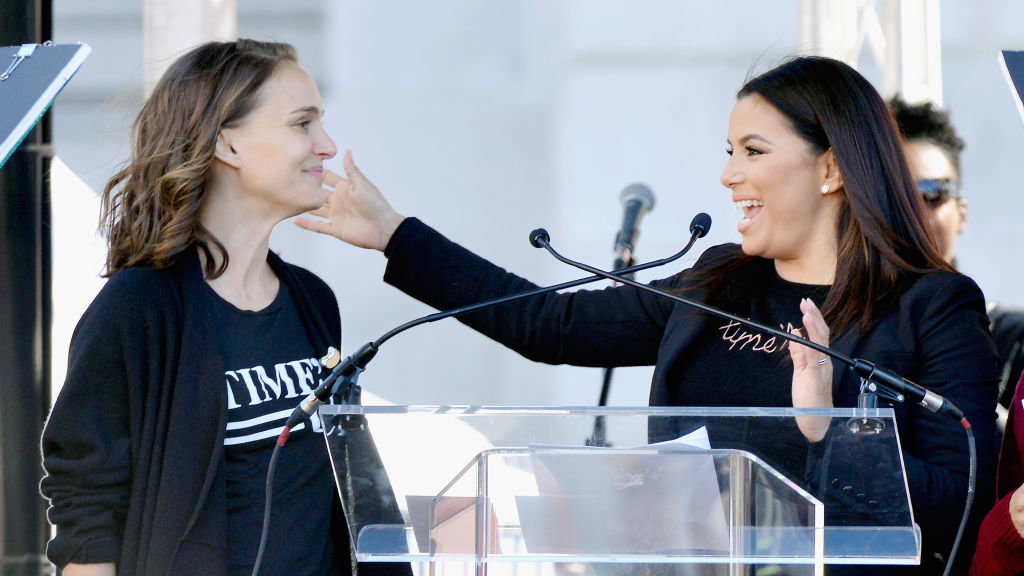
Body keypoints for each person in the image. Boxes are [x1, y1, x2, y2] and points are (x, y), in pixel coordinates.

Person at [298, 56, 1000, 575]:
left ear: (831, 169)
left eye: (754, 152)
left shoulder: (929, 305)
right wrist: (394, 234)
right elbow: (549, 325)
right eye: (730, 152)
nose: (729, 174)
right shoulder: (715, 280)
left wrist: (830, 430)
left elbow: (960, 501)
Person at [39, 39, 405, 576]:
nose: (326, 145)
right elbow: (86, 502)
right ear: (227, 145)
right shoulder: (139, 308)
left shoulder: (311, 299)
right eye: (302, 123)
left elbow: (341, 483)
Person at [889, 96, 1024, 430]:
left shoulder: (1014, 339)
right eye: (895, 196)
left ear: (961, 213)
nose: (913, 216)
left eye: (931, 193)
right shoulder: (834, 335)